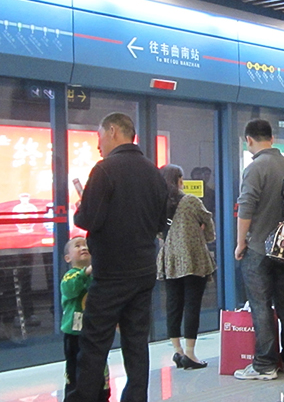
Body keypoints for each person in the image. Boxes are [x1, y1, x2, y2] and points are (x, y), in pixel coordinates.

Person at [66, 112, 168, 402]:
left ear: (112, 131)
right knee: (136, 341)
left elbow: (89, 219)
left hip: (111, 272)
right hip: (144, 270)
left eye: (100, 136)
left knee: (95, 341)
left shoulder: (105, 170)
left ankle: (84, 397)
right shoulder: (153, 172)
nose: (99, 145)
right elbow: (160, 223)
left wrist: (80, 206)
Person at [233, 119, 284, 380]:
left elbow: (246, 208)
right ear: (271, 137)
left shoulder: (255, 167)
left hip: (259, 247)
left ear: (249, 140)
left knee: (260, 305)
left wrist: (240, 243)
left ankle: (265, 364)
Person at [157, 164, 216, 370]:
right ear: (179, 180)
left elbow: (158, 231)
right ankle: (190, 353)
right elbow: (207, 219)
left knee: (173, 304)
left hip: (169, 259)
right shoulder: (190, 200)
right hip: (192, 258)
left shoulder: (159, 204)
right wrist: (207, 236)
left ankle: (177, 350)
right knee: (192, 304)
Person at [61, 237, 110, 402]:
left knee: (99, 367)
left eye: (86, 245)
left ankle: (101, 395)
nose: (83, 248)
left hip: (96, 332)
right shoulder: (70, 276)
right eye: (77, 246)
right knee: (75, 369)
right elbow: (70, 289)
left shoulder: (98, 277)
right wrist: (86, 272)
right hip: (75, 335)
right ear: (68, 258)